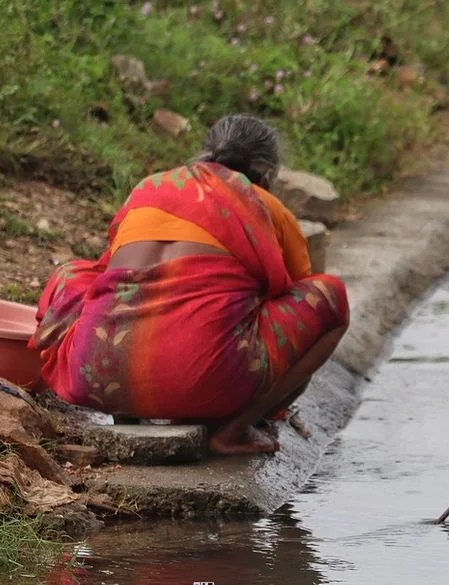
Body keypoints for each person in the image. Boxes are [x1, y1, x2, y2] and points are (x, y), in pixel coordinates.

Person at [31, 114, 349, 455]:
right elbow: (294, 290)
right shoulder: (265, 204)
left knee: (75, 276)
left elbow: (110, 273)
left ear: (206, 153)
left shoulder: (149, 187)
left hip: (94, 375)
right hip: (208, 381)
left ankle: (125, 414)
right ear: (269, 173)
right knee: (332, 300)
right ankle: (235, 430)